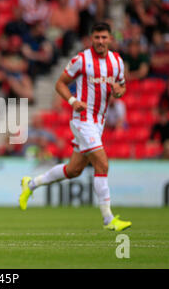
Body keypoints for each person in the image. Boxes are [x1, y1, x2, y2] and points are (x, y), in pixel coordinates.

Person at [19, 22, 132, 232]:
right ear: (91, 39)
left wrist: (119, 91)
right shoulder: (82, 60)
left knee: (73, 170)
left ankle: (31, 184)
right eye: (97, 37)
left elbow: (122, 87)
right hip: (82, 121)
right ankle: (108, 219)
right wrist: (72, 101)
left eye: (104, 37)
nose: (100, 41)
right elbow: (60, 83)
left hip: (99, 123)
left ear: (110, 39)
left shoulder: (117, 61)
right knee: (103, 164)